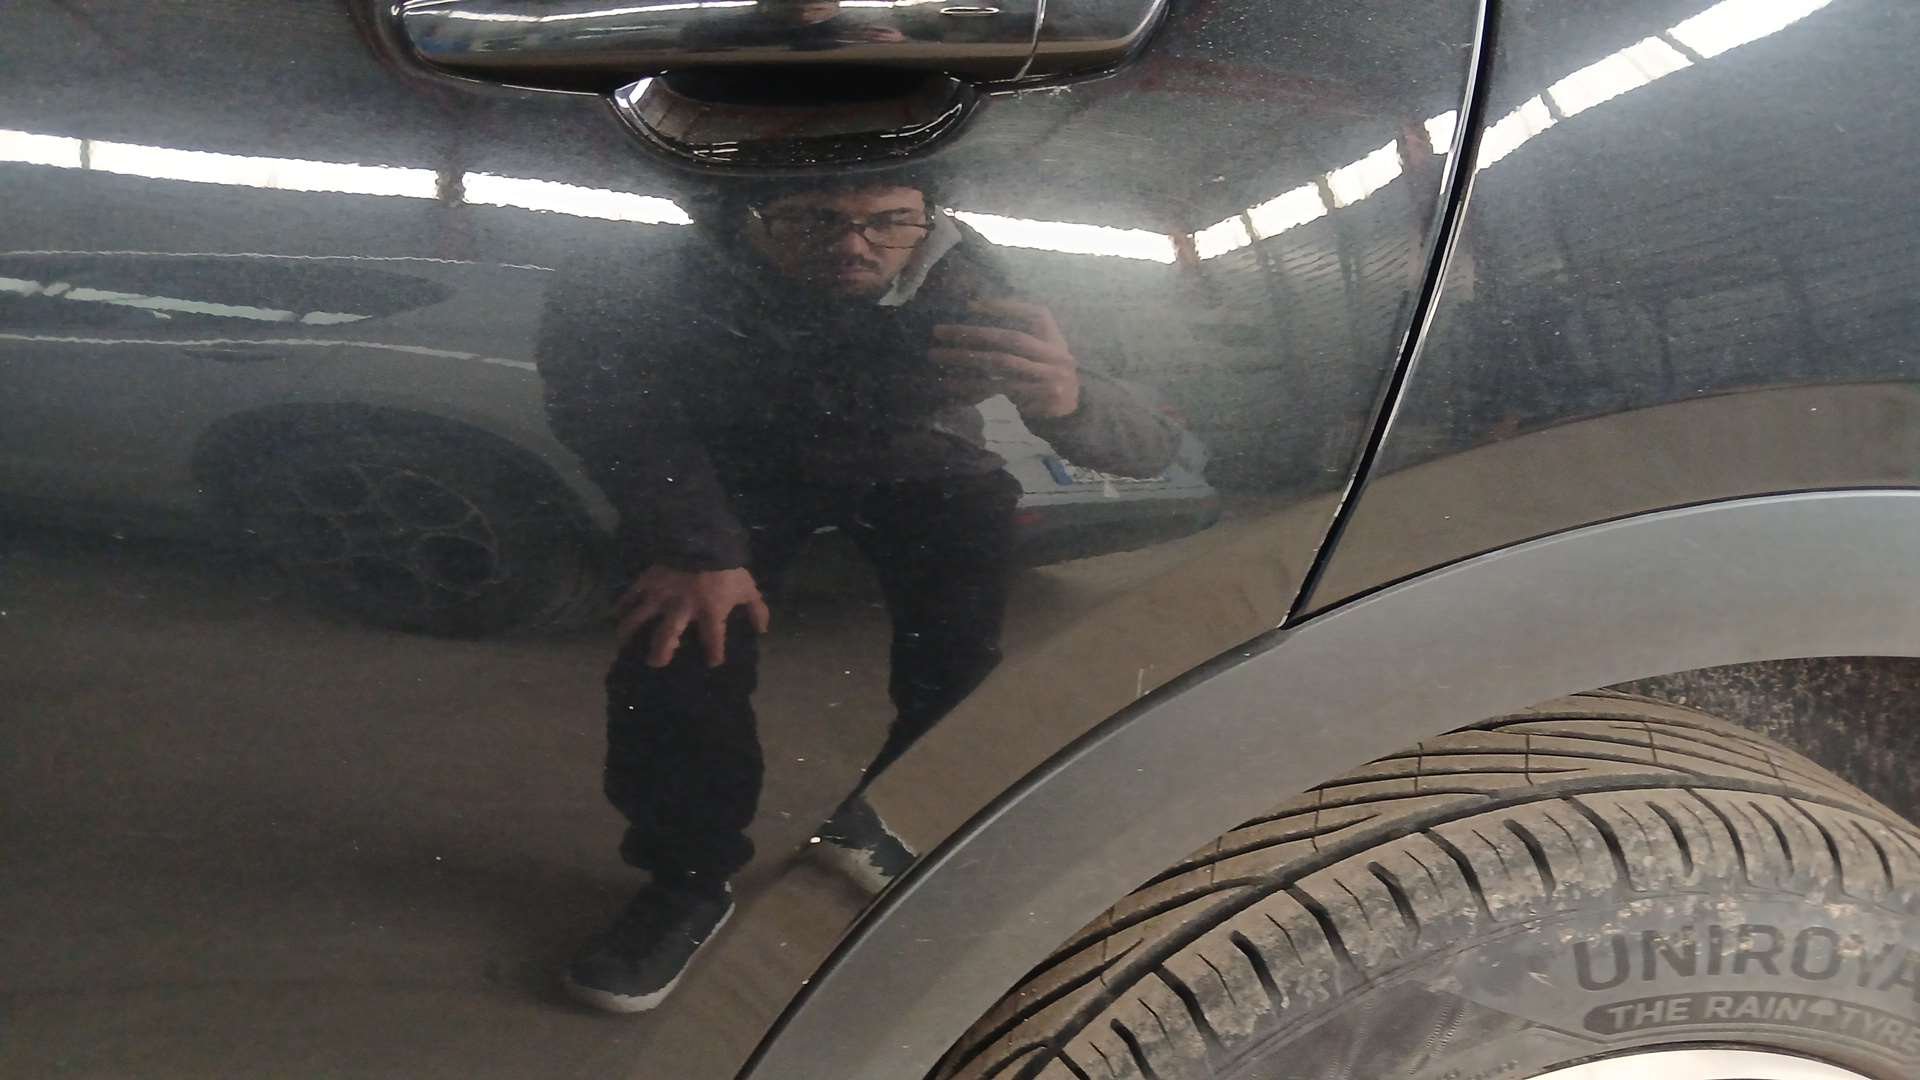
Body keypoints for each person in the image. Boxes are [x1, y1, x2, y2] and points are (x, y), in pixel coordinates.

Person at [536, 175, 1179, 1013]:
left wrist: (1073, 401)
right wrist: (695, 546)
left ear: (931, 220)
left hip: (914, 458)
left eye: (890, 222)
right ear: (747, 218)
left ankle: (892, 814)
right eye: (813, 220)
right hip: (730, 469)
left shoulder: (980, 283)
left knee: (960, 659)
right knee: (680, 643)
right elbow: (611, 408)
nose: (853, 245)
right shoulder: (656, 276)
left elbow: (1154, 439)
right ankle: (685, 880)